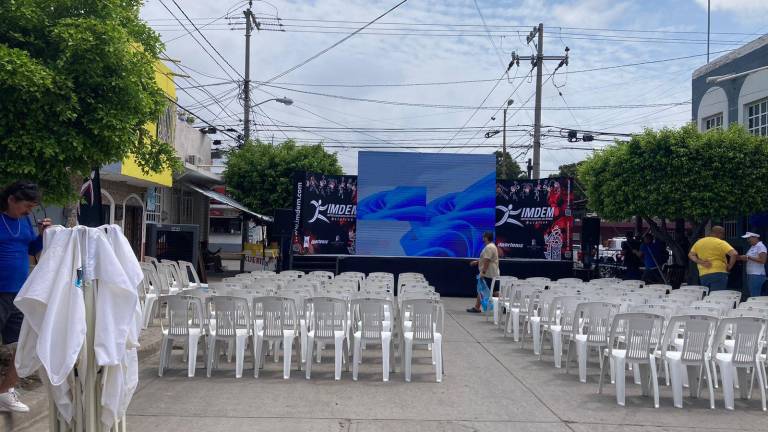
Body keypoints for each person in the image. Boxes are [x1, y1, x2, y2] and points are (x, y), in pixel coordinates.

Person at [0, 181, 51, 412]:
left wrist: (42, 235)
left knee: (23, 345)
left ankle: (4, 392)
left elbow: (31, 250)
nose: (29, 211)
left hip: (19, 293)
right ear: (11, 199)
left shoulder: (24, 223)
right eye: (26, 205)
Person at [688, 225, 738, 291]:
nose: (723, 237)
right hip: (719, 273)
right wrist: (729, 267)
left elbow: (690, 255)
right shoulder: (720, 242)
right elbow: (734, 254)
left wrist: (701, 262)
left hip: (703, 274)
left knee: (707, 296)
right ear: (719, 233)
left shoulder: (699, 242)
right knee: (716, 296)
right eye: (723, 234)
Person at [467, 231, 500, 313]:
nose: (482, 238)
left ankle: (477, 307)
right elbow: (486, 259)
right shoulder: (491, 246)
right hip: (492, 273)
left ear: (486, 237)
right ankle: (477, 307)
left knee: (485, 290)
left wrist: (483, 272)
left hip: (488, 274)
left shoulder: (489, 247)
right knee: (493, 291)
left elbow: (487, 260)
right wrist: (477, 262)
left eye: (483, 236)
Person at [738, 232, 767, 297]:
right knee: (753, 294)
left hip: (757, 274)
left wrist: (748, 257)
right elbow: (750, 258)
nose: (747, 240)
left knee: (755, 296)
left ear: (755, 237)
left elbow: (763, 260)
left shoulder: (760, 246)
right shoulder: (753, 246)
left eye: (749, 238)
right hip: (751, 274)